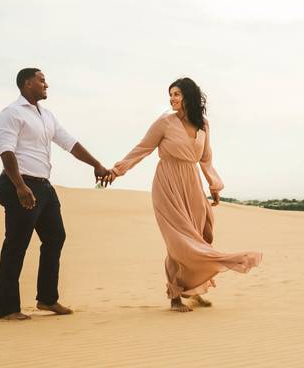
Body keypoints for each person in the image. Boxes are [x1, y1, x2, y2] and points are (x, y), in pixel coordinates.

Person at [109, 77, 262, 312]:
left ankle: (194, 287)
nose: (172, 99)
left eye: (177, 94)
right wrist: (118, 170)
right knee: (179, 242)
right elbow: (143, 148)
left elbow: (206, 158)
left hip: (192, 184)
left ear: (189, 96)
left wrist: (214, 186)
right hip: (168, 184)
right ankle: (175, 296)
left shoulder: (203, 125)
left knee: (203, 236)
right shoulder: (164, 122)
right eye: (170, 94)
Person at [0, 67, 114, 320]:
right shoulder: (11, 113)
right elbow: (6, 151)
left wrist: (96, 165)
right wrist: (19, 186)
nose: (46, 85)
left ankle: (47, 299)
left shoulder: (47, 116)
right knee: (16, 244)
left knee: (55, 237)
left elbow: (70, 143)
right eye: (41, 81)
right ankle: (8, 309)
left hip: (44, 186)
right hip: (21, 185)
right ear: (27, 84)